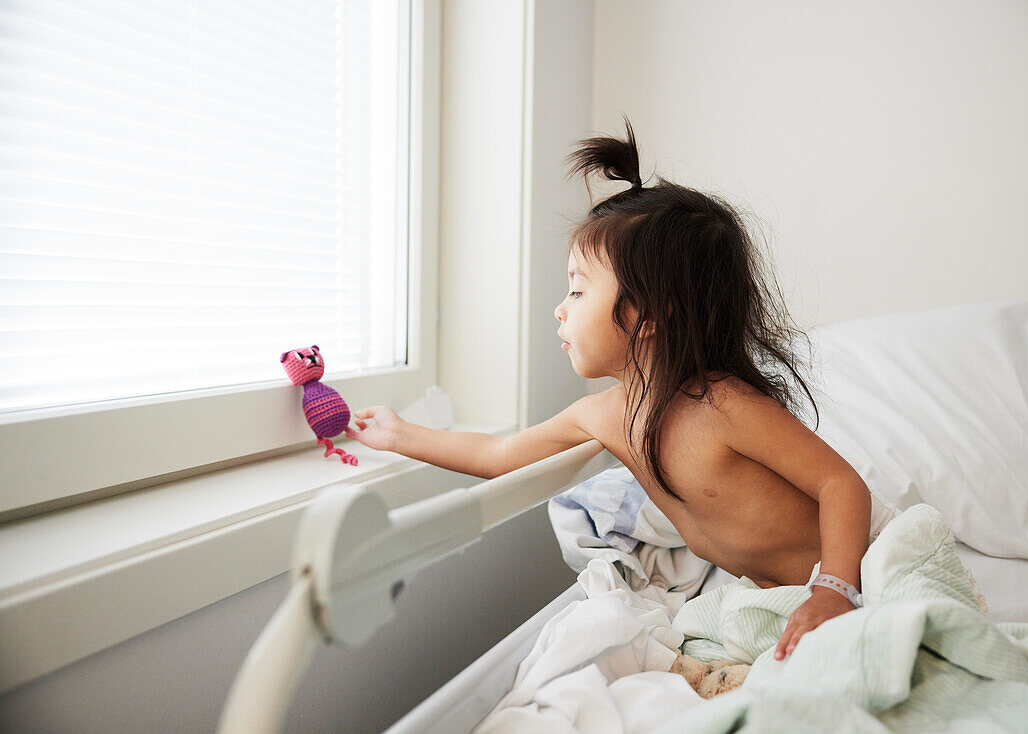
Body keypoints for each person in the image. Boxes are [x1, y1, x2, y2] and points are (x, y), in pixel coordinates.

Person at [345, 116, 889, 662]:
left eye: (578, 291)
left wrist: (834, 590)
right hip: (775, 592)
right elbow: (499, 454)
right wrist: (400, 433)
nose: (560, 309)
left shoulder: (722, 405)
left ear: (647, 312)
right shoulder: (601, 415)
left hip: (854, 567)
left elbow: (841, 485)